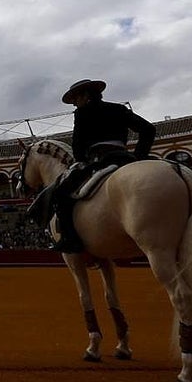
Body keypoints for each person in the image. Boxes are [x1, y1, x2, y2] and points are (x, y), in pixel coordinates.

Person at [31, 79, 156, 253]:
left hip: (99, 160)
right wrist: (138, 156)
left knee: (60, 194)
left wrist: (82, 159)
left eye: (75, 98)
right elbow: (149, 130)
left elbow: (77, 147)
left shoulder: (82, 114)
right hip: (125, 157)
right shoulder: (118, 109)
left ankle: (70, 239)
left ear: (85, 95)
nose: (74, 103)